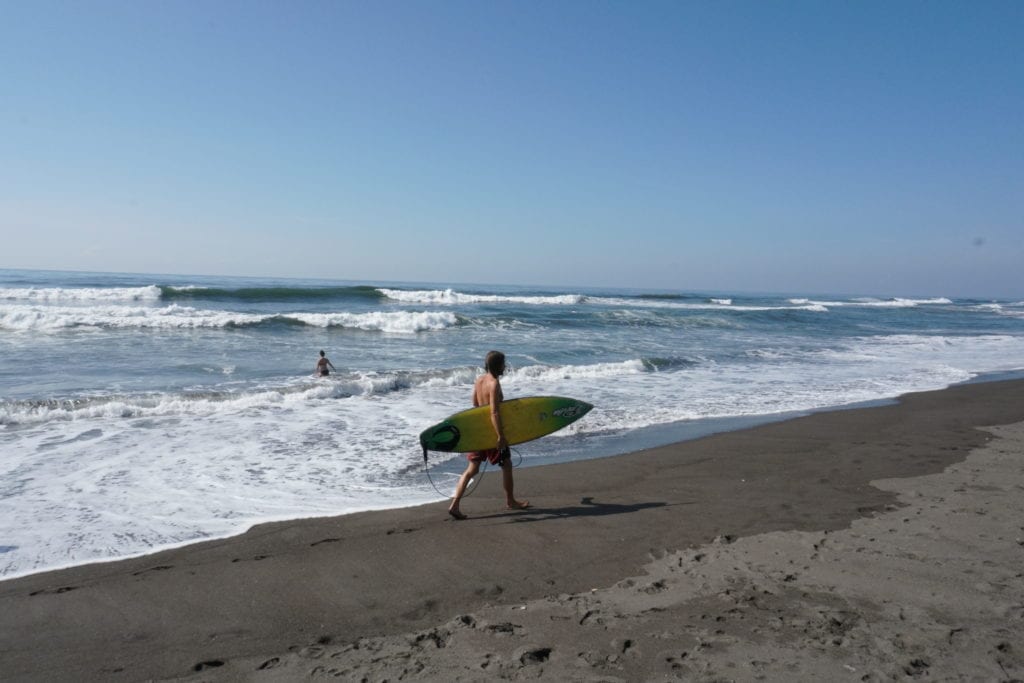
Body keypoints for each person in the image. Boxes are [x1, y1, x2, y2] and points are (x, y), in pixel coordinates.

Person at [448, 350, 529, 520]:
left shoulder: (479, 381)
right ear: (497, 366)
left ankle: (454, 505)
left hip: (480, 432)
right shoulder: (494, 384)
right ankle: (511, 501)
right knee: (506, 464)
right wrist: (500, 436)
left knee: (471, 469)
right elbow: (494, 412)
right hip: (492, 433)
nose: (505, 367)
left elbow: (475, 404)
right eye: (503, 364)